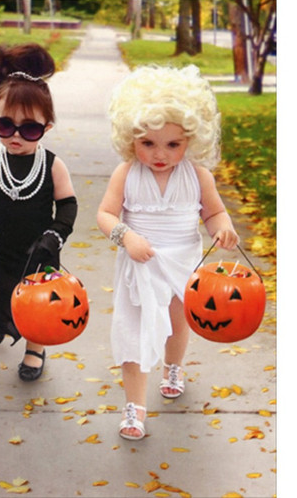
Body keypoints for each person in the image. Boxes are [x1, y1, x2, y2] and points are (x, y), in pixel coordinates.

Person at [97, 65, 239, 440]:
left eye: (172, 145)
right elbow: (105, 215)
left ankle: (172, 366)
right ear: (131, 139)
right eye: (148, 144)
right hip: (139, 263)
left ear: (192, 140)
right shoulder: (126, 174)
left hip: (182, 261)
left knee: (179, 323)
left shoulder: (198, 176)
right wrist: (126, 237)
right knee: (134, 331)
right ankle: (134, 407)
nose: (160, 154)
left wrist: (222, 227)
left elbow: (214, 212)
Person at [0, 43, 77, 382]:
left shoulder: (52, 165)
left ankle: (35, 350)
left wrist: (54, 235)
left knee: (39, 307)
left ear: (46, 127)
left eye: (30, 128)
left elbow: (68, 205)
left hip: (41, 251)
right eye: (5, 125)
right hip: (2, 249)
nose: (16, 136)